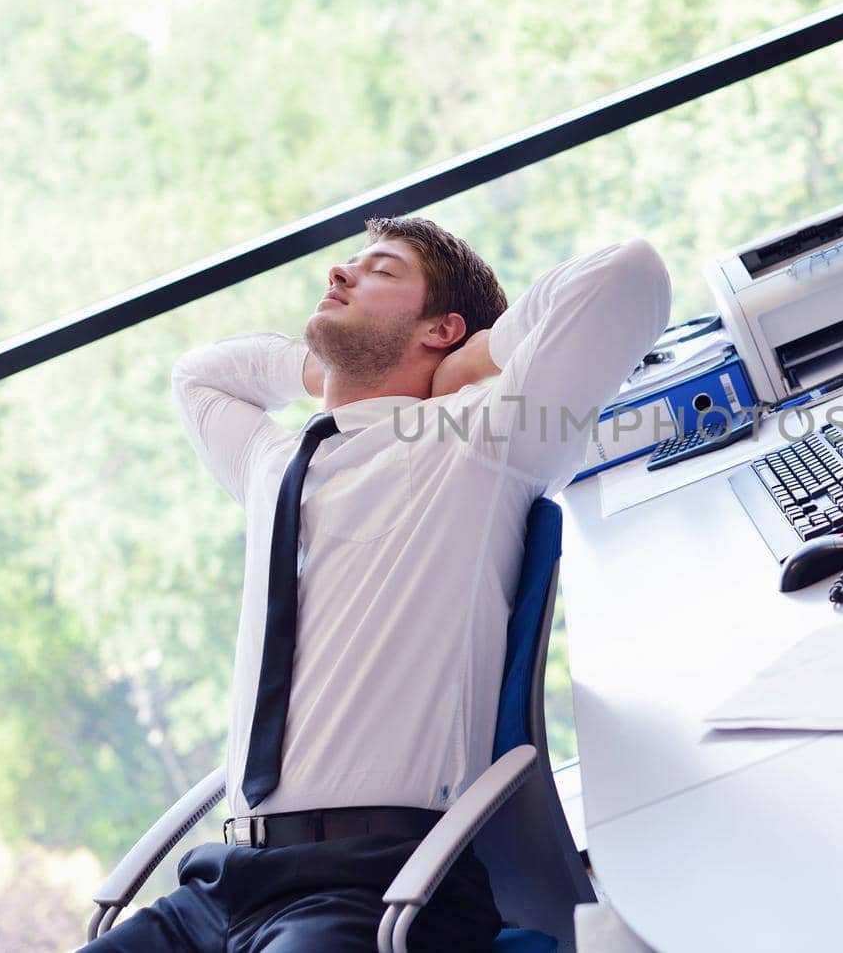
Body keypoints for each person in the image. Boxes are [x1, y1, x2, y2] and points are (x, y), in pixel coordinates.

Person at [82, 216, 671, 951]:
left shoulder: (482, 436)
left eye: (382, 270)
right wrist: (322, 370)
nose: (340, 275)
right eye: (348, 267)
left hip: (376, 885)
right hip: (221, 886)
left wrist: (466, 366)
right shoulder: (277, 465)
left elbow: (631, 273)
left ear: (441, 327)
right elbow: (197, 375)